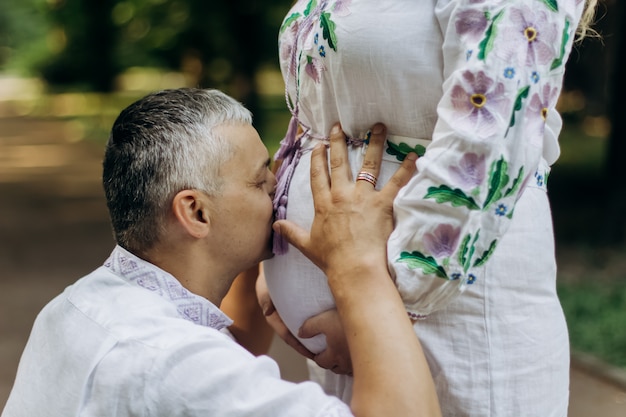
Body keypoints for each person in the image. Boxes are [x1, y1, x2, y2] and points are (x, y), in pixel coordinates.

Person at [1, 88, 441, 417]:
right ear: (195, 212)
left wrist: (257, 260)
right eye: (259, 182)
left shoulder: (76, 306)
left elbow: (230, 352)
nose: (280, 190)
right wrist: (357, 267)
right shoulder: (171, 366)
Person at [261, 0, 599, 415]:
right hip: (349, 309)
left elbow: (488, 138)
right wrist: (275, 241)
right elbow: (317, 113)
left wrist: (381, 310)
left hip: (447, 308)